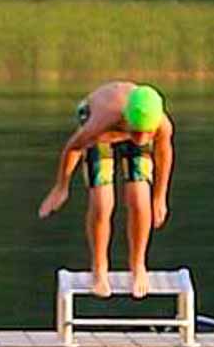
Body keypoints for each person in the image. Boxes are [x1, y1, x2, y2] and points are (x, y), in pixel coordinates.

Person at [38, 81, 176, 298]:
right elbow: (73, 147)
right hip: (101, 124)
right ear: (128, 122)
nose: (139, 140)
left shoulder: (161, 125)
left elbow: (164, 155)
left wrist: (160, 197)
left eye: (144, 135)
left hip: (132, 120)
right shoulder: (103, 120)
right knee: (103, 202)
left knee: (140, 198)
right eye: (135, 133)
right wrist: (61, 186)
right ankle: (99, 266)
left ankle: (138, 264)